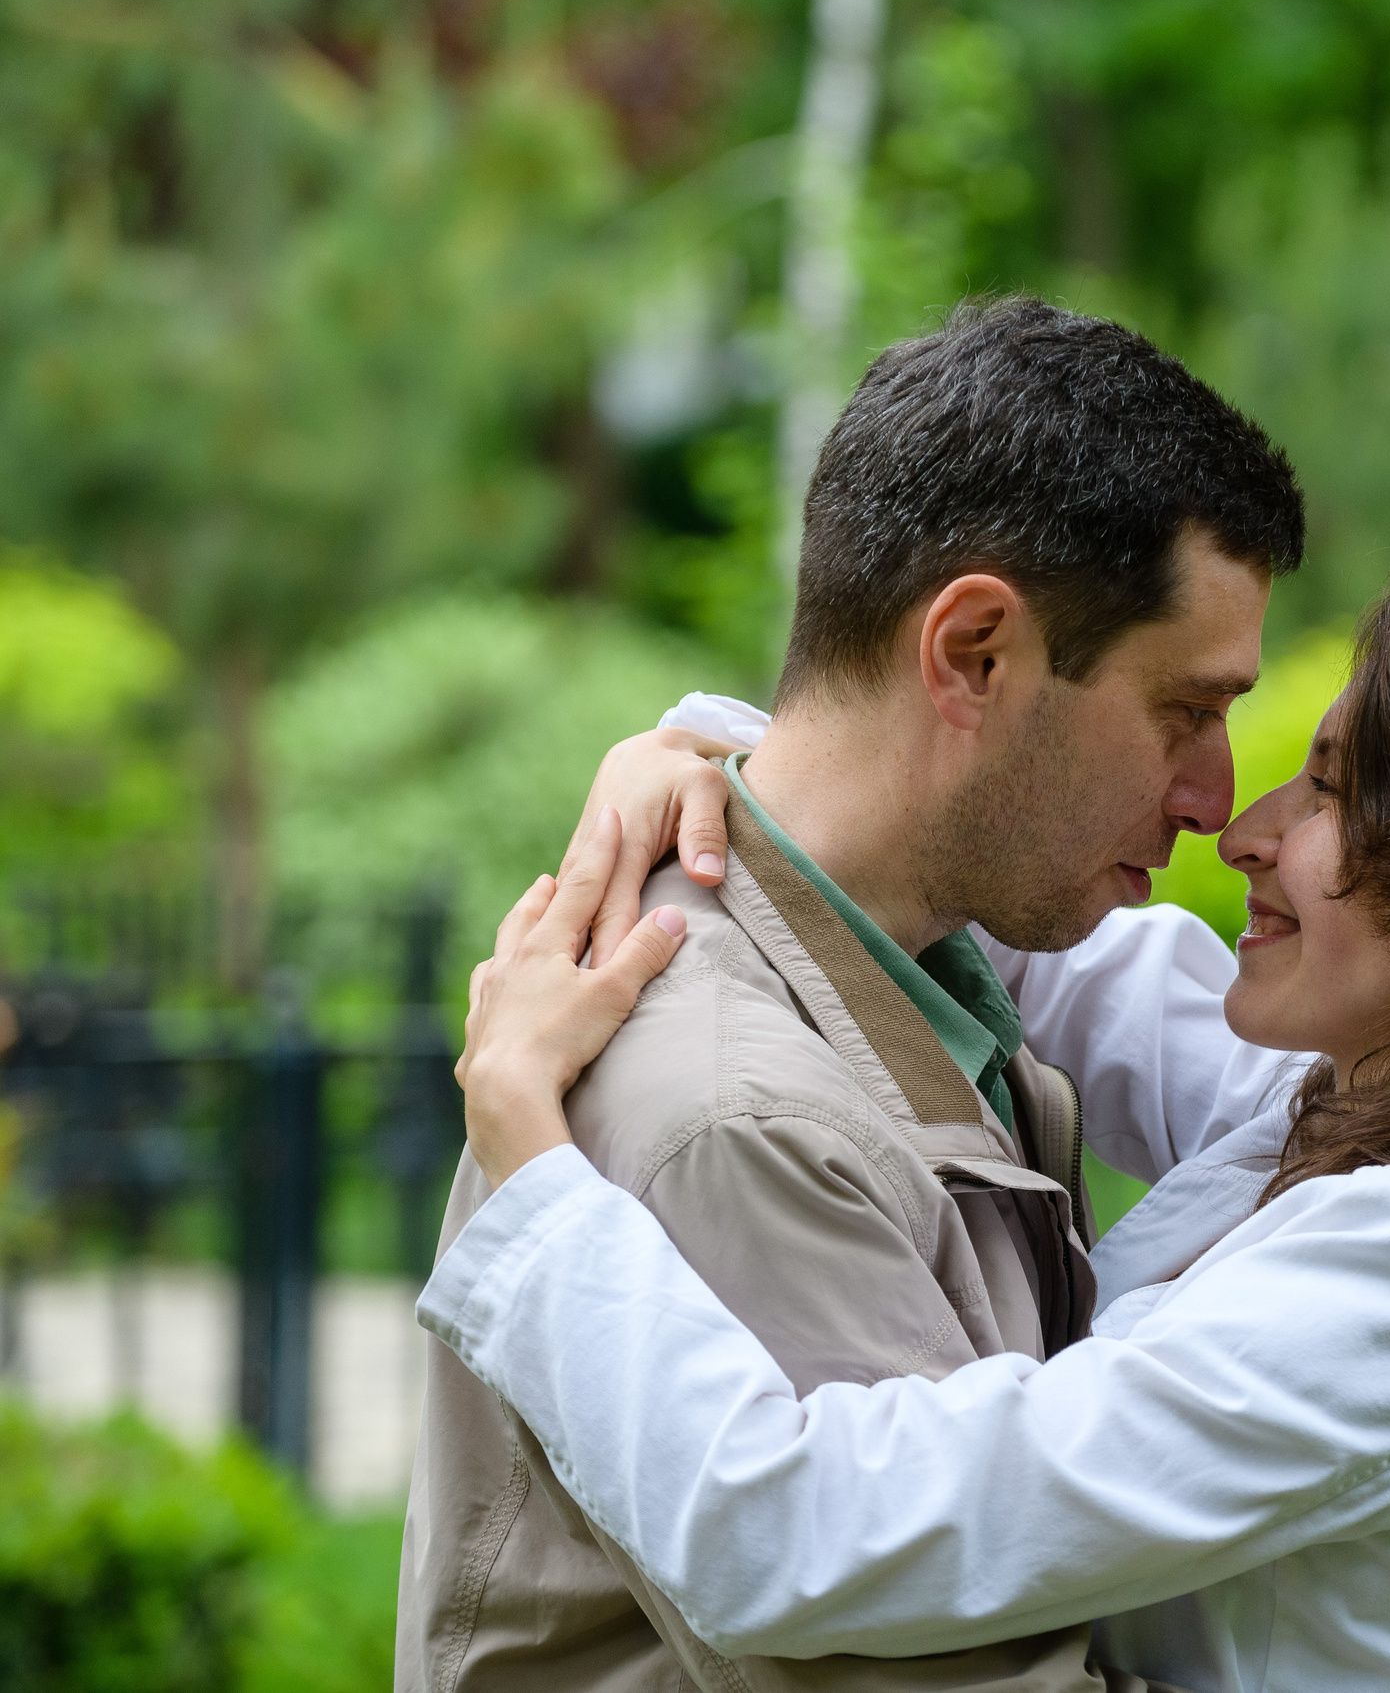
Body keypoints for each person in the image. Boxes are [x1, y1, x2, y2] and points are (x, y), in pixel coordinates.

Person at [426, 577, 1390, 1693]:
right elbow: (1016, 909)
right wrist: (694, 763)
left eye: (1335, 789)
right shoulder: (1362, 1098)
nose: (1244, 824)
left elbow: (801, 1533)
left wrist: (529, 1161)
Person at [394, 294, 1306, 1693]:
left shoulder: (933, 966)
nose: (1214, 799)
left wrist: (695, 735)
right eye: (1185, 711)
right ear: (974, 654)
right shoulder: (740, 1118)